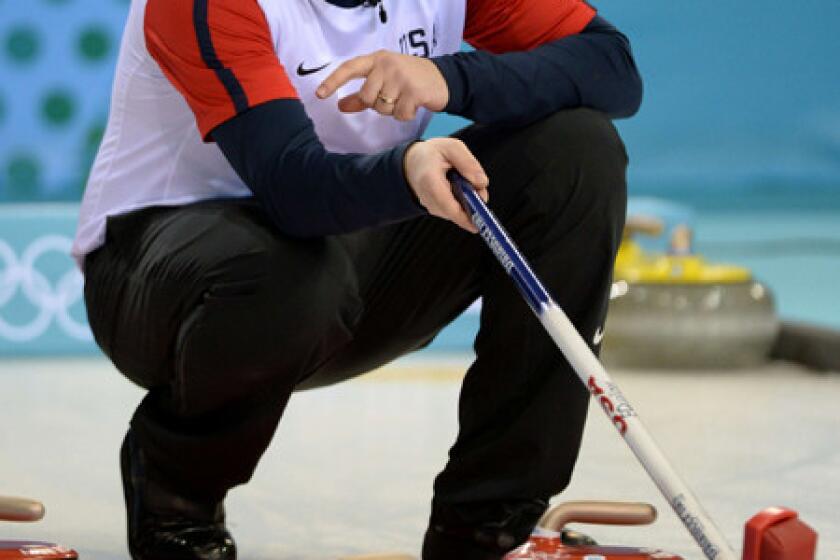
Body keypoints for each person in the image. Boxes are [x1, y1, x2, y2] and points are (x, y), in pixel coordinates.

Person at [73, 0, 641, 558]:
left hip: (347, 255)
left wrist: (448, 76)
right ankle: (178, 498)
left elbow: (612, 68)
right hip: (160, 280)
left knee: (575, 152)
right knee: (284, 268)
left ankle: (490, 524)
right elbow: (293, 191)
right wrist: (404, 170)